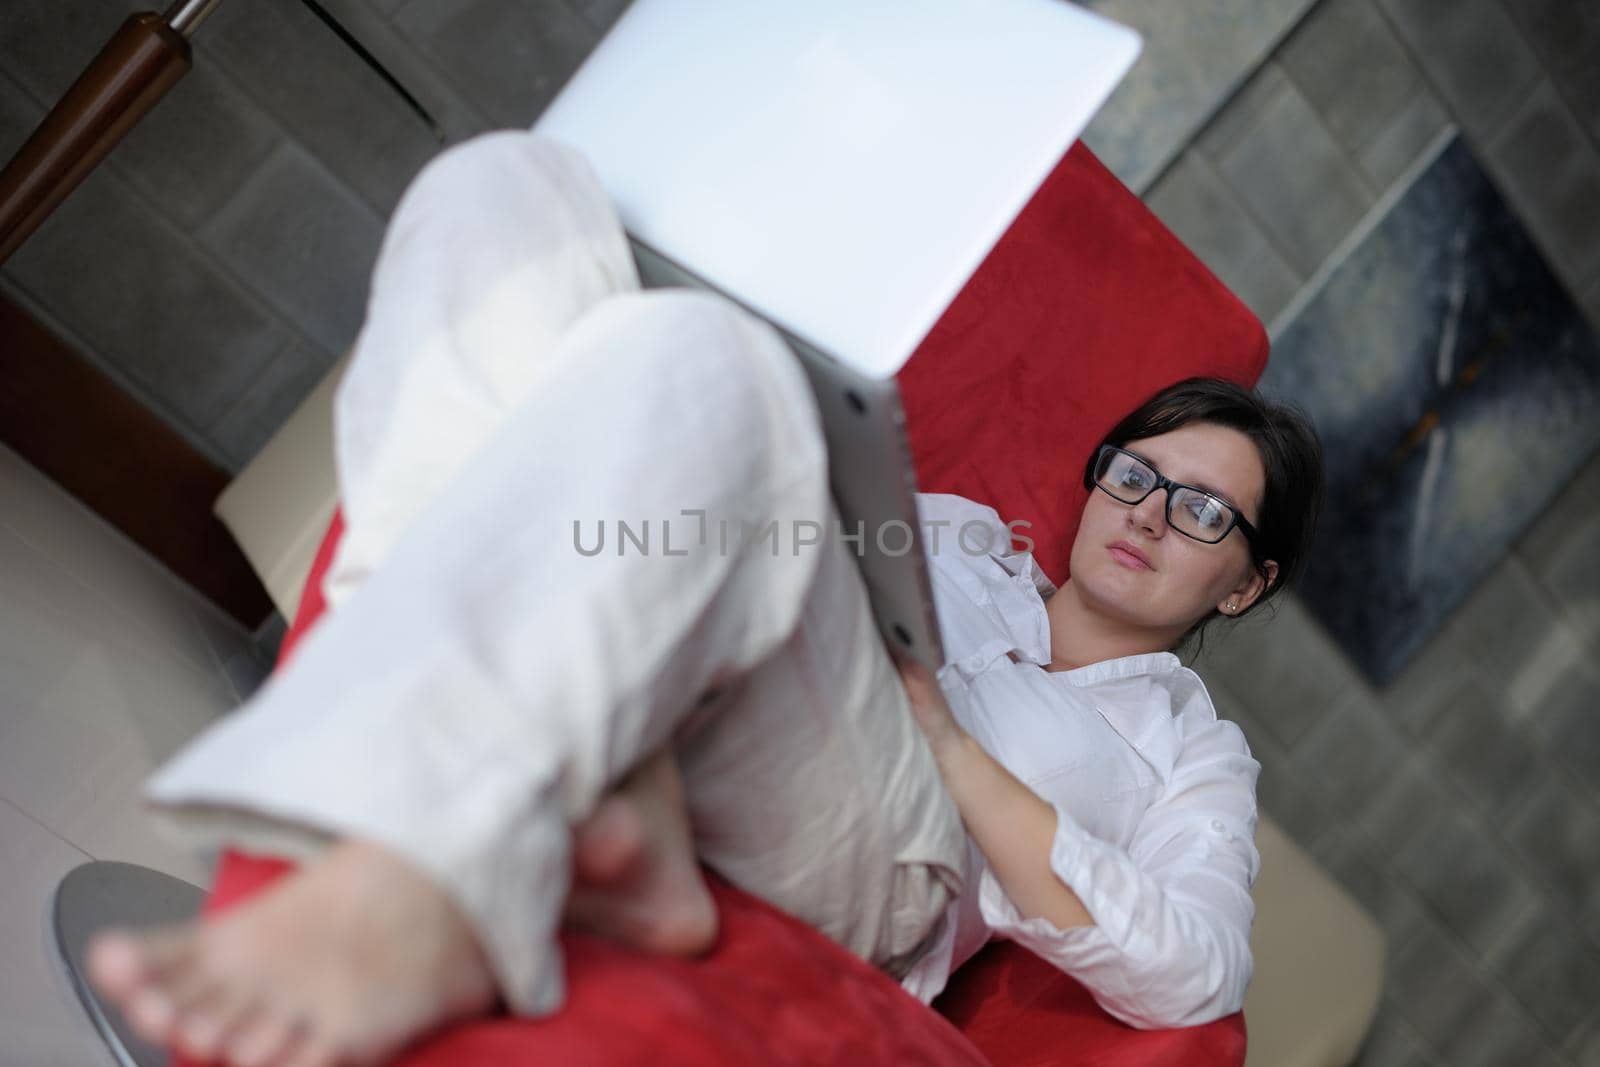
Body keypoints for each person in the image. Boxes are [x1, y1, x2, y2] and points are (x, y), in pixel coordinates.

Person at [85, 130, 1321, 1067]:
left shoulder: (1189, 751)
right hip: (733, 680)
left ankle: (412, 844)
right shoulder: (952, 535)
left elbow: (1193, 970)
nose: (1150, 512)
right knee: (510, 190)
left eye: (1204, 510)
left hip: (891, 857)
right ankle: (533, 790)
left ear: (1248, 578)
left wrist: (947, 744)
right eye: (1135, 473)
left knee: (711, 363)